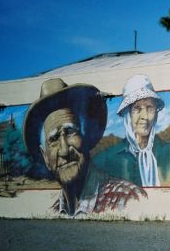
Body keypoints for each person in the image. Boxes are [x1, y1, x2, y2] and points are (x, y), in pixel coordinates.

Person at [23, 78, 145, 216]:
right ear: (45, 157)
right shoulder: (56, 211)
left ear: (86, 137)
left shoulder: (124, 198)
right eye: (54, 139)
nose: (63, 151)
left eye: (70, 132)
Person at [92, 75, 170, 187]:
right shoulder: (106, 161)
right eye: (137, 108)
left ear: (156, 114)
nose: (145, 116)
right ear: (127, 115)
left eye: (150, 108)